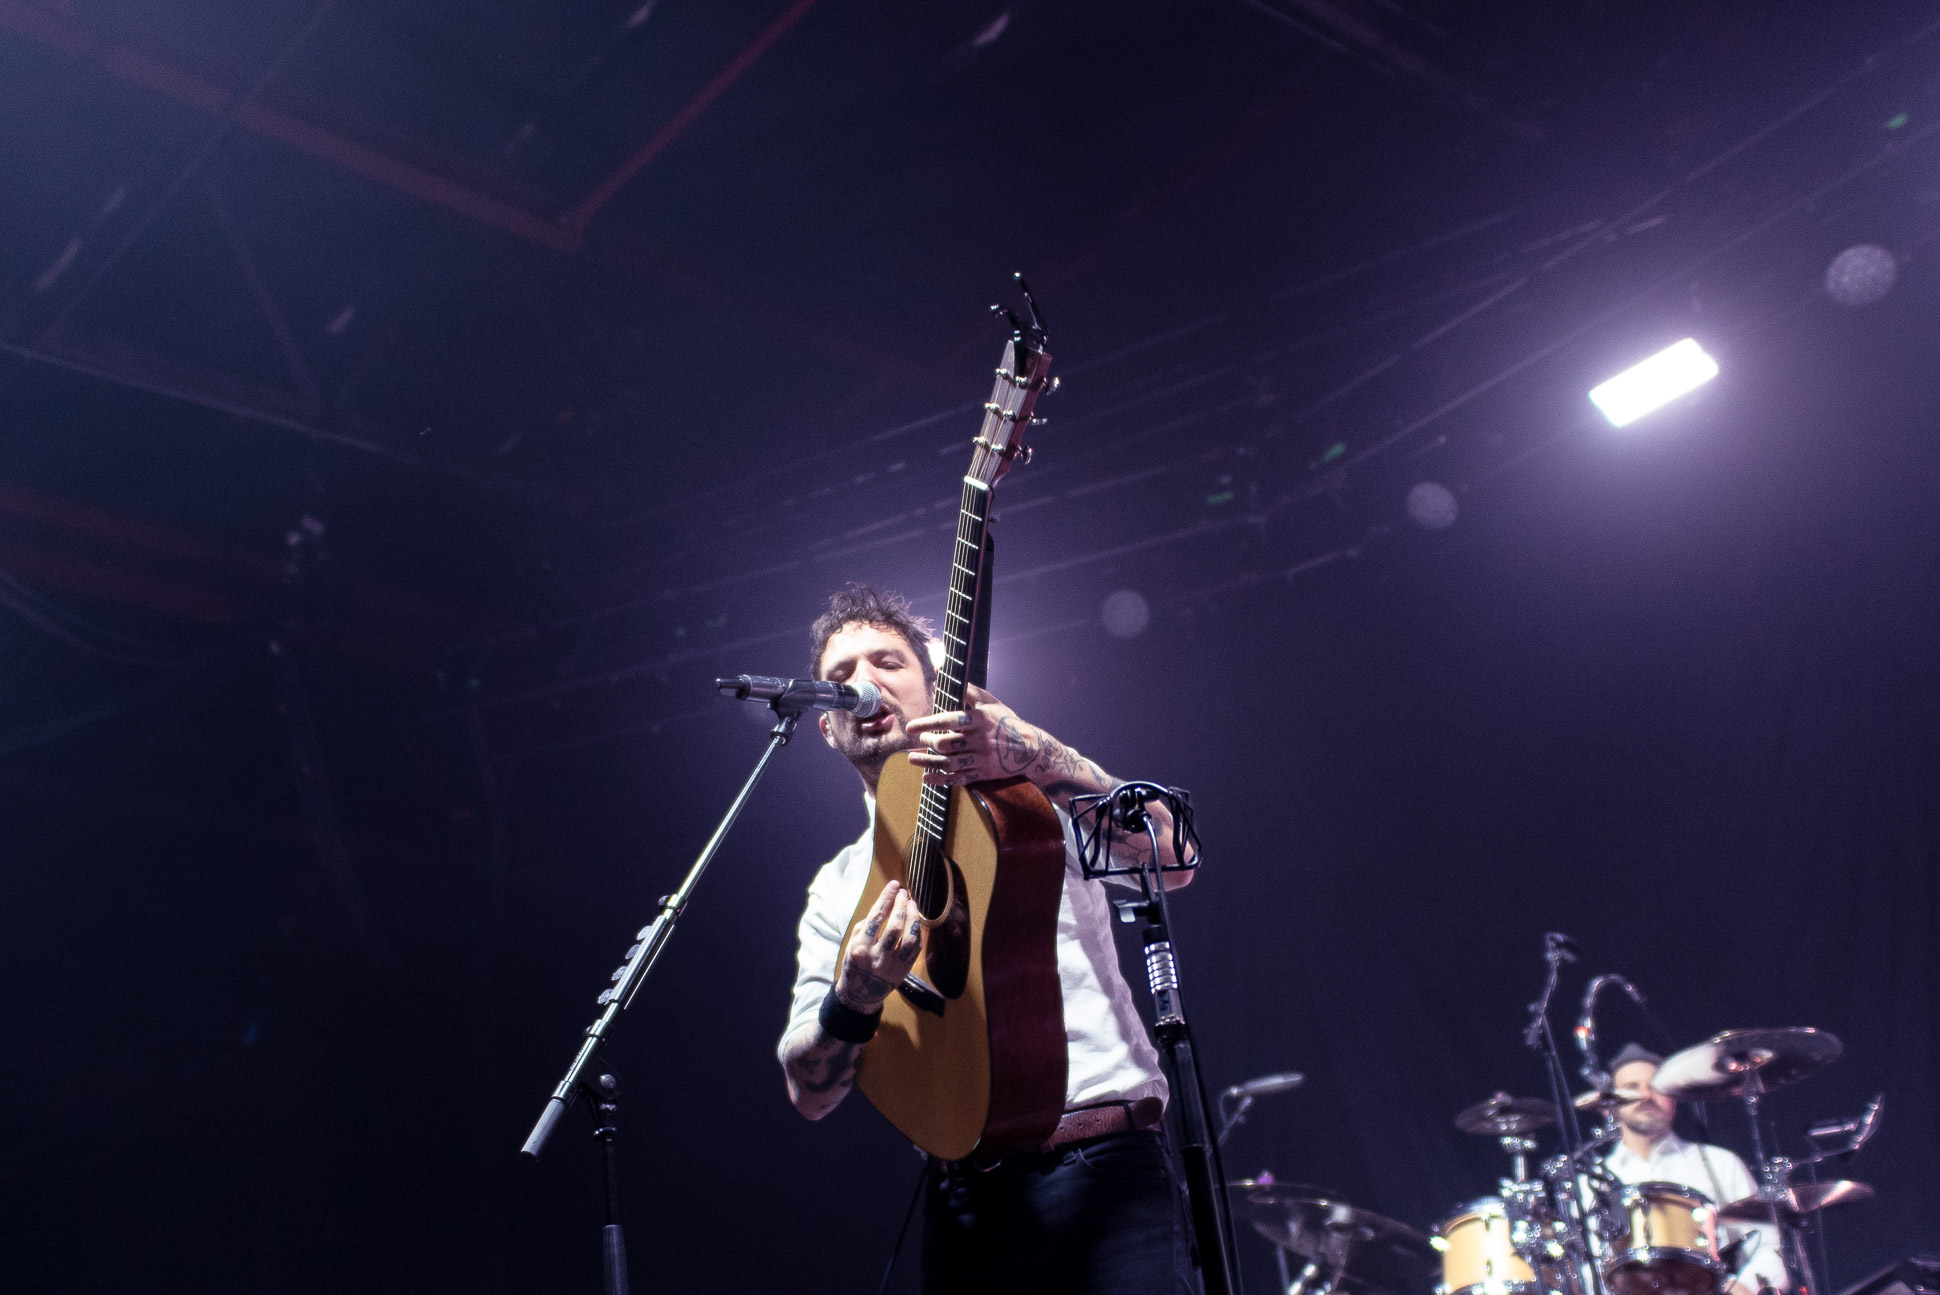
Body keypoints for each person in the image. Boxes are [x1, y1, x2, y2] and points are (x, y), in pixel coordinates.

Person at [776, 586, 1196, 1295]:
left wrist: (1034, 751)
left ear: (940, 686)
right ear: (825, 726)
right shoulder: (839, 886)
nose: (865, 684)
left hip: (1104, 1164)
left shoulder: (1027, 796)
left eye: (886, 661)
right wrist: (856, 994)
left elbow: (1174, 855)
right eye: (841, 676)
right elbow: (809, 1090)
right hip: (966, 1200)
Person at [1602, 1044, 1790, 1293]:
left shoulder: (1720, 1163)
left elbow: (1773, 1247)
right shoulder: (1591, 1181)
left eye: (1655, 1086)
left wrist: (1744, 1287)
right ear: (1609, 1106)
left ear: (1674, 1097)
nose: (1645, 1096)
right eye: (1631, 1088)